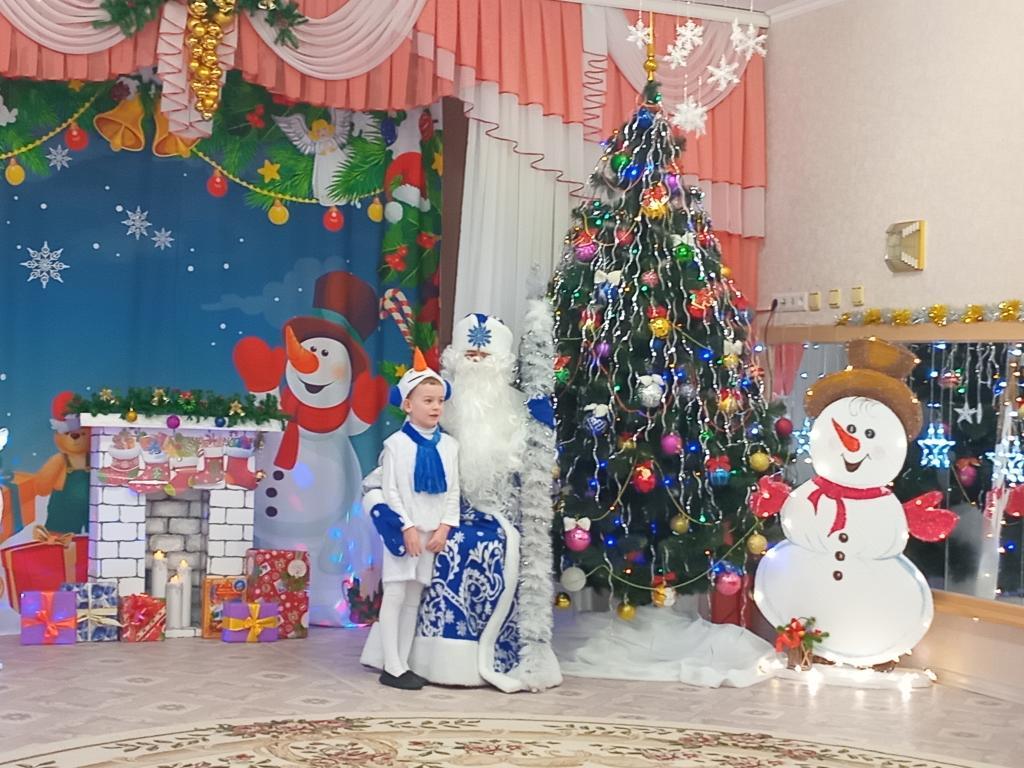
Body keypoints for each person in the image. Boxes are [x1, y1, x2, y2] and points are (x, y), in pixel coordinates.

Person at [361, 311, 561, 693]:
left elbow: (537, 479)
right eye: (469, 354)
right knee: (413, 583)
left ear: (501, 362)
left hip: (496, 516)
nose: (476, 362)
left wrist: (544, 433)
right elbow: (382, 482)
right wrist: (386, 515)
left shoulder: (519, 411)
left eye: (485, 356)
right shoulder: (432, 414)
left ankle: (466, 659)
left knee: (486, 549)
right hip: (423, 519)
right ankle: (405, 662)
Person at [371, 348, 459, 690]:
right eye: (427, 400)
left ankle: (403, 662)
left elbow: (453, 490)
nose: (435, 407)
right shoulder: (396, 445)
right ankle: (390, 665)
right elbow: (391, 491)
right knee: (395, 593)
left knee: (413, 598)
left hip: (431, 533)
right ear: (408, 404)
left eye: (439, 401)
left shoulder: (450, 446)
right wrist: (406, 526)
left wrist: (444, 527)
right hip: (405, 532)